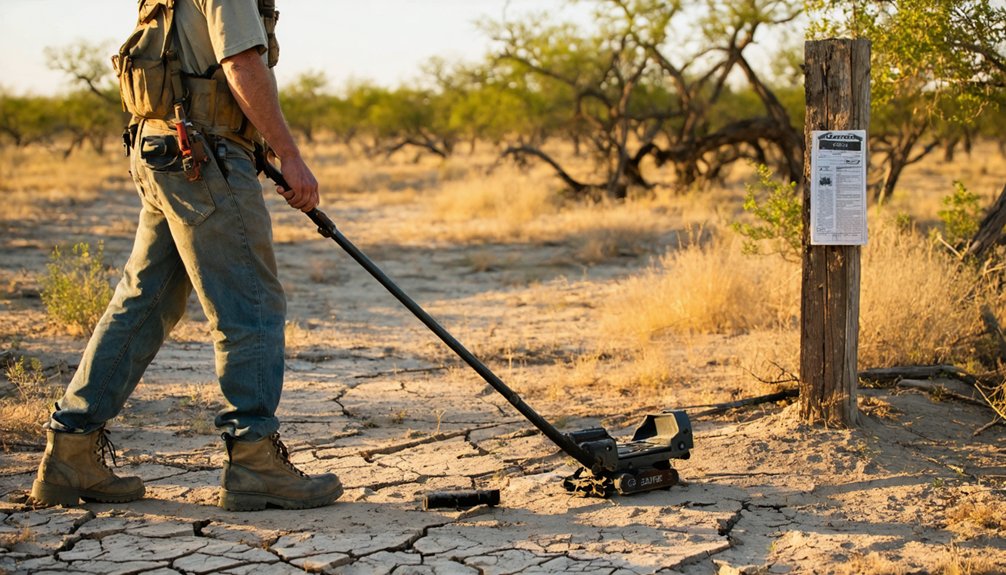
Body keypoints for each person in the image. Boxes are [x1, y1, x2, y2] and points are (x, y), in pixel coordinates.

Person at [30, 0, 343, 512]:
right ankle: (254, 460)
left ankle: (71, 448)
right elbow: (241, 63)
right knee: (252, 306)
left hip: (163, 149)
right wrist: (288, 152)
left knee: (145, 301)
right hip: (203, 156)